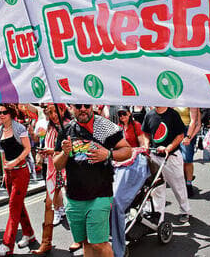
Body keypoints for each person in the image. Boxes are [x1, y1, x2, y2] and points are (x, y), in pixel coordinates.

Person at [54, 103, 132, 257]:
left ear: (93, 106)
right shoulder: (65, 130)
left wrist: (108, 154)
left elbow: (127, 150)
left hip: (100, 194)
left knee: (99, 243)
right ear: (72, 108)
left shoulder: (105, 127)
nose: (83, 108)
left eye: (86, 105)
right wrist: (64, 153)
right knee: (86, 242)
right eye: (78, 105)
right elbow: (57, 165)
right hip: (74, 197)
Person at [0, 104, 36, 256]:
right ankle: (29, 234)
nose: (1, 115)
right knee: (18, 206)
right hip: (9, 174)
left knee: (13, 207)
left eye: (4, 112)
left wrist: (15, 162)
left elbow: (27, 149)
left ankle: (7, 245)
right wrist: (6, 170)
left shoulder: (19, 129)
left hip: (21, 172)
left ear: (11, 114)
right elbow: (1, 152)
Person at [31, 103, 70, 255]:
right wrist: (45, 152)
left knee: (76, 207)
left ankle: (82, 240)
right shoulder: (49, 126)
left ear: (63, 110)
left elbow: (72, 149)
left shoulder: (68, 126)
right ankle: (46, 243)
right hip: (53, 170)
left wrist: (51, 151)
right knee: (49, 204)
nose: (53, 115)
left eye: (56, 111)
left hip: (68, 169)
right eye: (50, 112)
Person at [111, 106, 150, 257]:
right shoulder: (118, 128)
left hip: (134, 161)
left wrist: (139, 151)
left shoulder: (136, 126)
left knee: (119, 195)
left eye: (124, 114)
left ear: (129, 114)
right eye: (119, 115)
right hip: (122, 161)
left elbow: (142, 144)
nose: (122, 117)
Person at [142, 106, 191, 224]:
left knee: (178, 186)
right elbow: (146, 133)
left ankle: (185, 210)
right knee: (156, 188)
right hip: (155, 157)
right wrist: (146, 145)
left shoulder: (173, 114)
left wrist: (168, 148)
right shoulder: (149, 115)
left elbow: (180, 135)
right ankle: (158, 217)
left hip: (172, 157)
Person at [176, 107, 201, 198]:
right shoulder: (173, 98)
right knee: (177, 158)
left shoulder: (190, 100)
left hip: (187, 130)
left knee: (187, 159)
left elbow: (194, 121)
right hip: (174, 130)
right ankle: (182, 182)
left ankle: (188, 184)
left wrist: (189, 137)